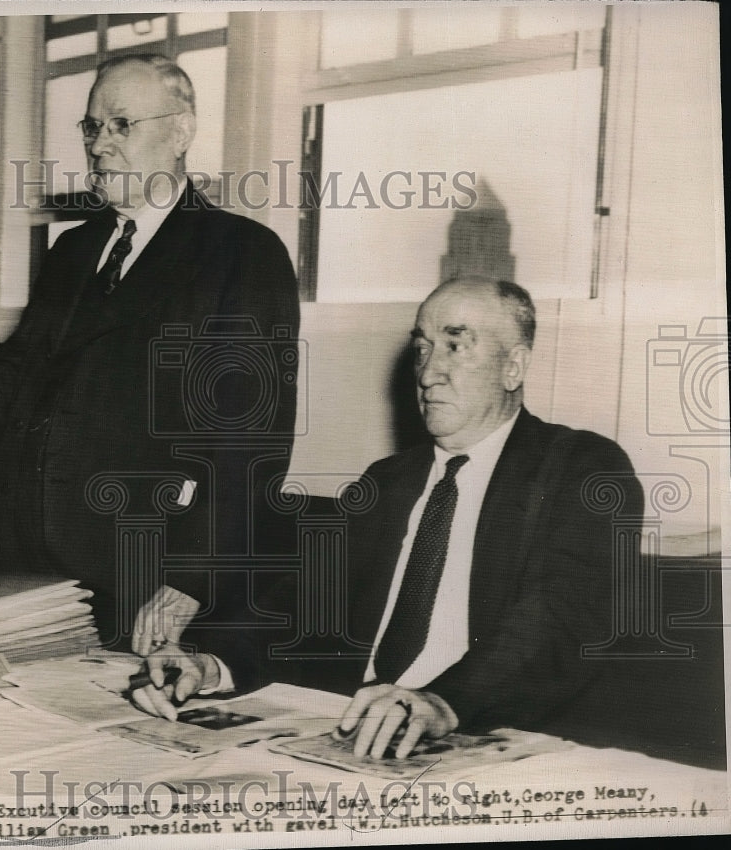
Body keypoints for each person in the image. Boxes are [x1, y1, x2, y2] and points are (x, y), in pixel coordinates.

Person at [131, 276, 644, 761]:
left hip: (481, 732)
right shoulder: (386, 481)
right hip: (349, 726)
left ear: (514, 366)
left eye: (455, 345)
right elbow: (300, 603)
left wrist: (444, 702)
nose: (427, 372)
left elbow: (557, 621)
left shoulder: (582, 468)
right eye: (421, 347)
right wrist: (210, 665)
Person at [0, 54, 300, 648]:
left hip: (139, 576)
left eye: (120, 124)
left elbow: (249, 443)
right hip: (24, 565)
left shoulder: (240, 254)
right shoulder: (72, 252)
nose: (100, 144)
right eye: (91, 127)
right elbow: (21, 371)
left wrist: (189, 579)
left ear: (182, 131)